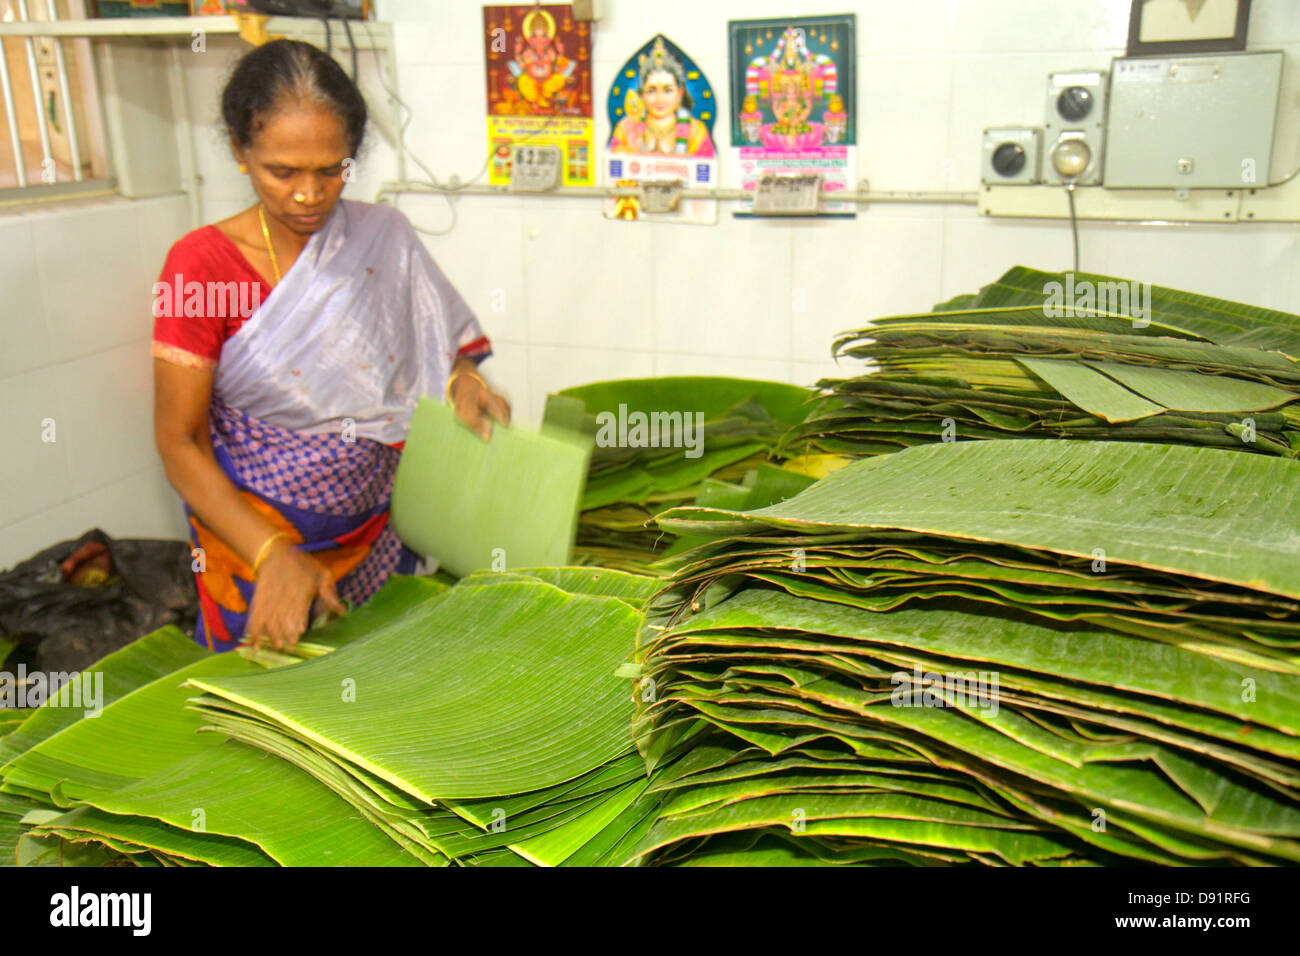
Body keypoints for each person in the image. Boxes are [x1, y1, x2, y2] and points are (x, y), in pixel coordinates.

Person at [152, 40, 510, 653]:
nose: (308, 194)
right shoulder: (200, 267)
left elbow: (442, 344)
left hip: (378, 534)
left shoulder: (382, 236)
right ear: (241, 151)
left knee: (381, 704)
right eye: (282, 171)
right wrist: (271, 555)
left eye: (331, 169)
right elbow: (177, 441)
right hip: (255, 548)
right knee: (262, 719)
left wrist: (464, 381)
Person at [609, 37, 714, 157]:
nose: (660, 99)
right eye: (651, 91)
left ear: (679, 93)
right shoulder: (626, 129)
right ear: (642, 94)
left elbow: (705, 169)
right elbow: (615, 166)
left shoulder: (696, 131)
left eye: (668, 90)